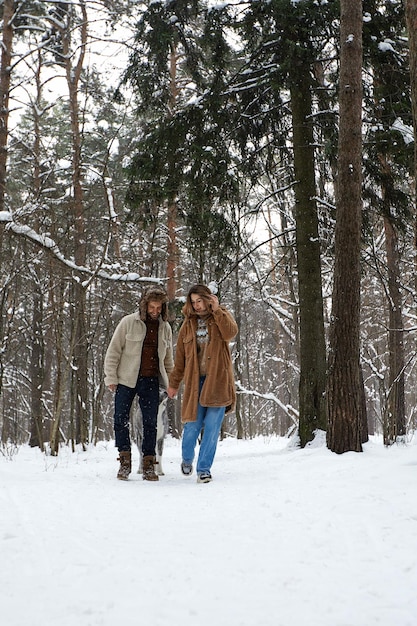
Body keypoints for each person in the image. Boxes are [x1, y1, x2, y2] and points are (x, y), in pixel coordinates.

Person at [167, 284, 238, 483]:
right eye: (193, 302)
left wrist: (217, 309)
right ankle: (187, 458)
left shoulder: (220, 317)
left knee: (212, 427)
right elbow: (180, 358)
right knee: (192, 426)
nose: (197, 306)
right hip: (194, 383)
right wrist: (174, 383)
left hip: (218, 381)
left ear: (208, 299)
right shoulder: (187, 325)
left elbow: (230, 333)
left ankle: (204, 469)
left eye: (200, 301)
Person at [104, 285, 174, 481]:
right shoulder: (128, 323)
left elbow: (168, 359)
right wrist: (111, 377)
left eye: (159, 308)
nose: (155, 311)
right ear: (145, 306)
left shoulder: (165, 328)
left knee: (150, 422)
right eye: (152, 307)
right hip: (126, 379)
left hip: (151, 380)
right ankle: (124, 461)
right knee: (120, 419)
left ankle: (149, 463)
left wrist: (171, 383)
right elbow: (114, 351)